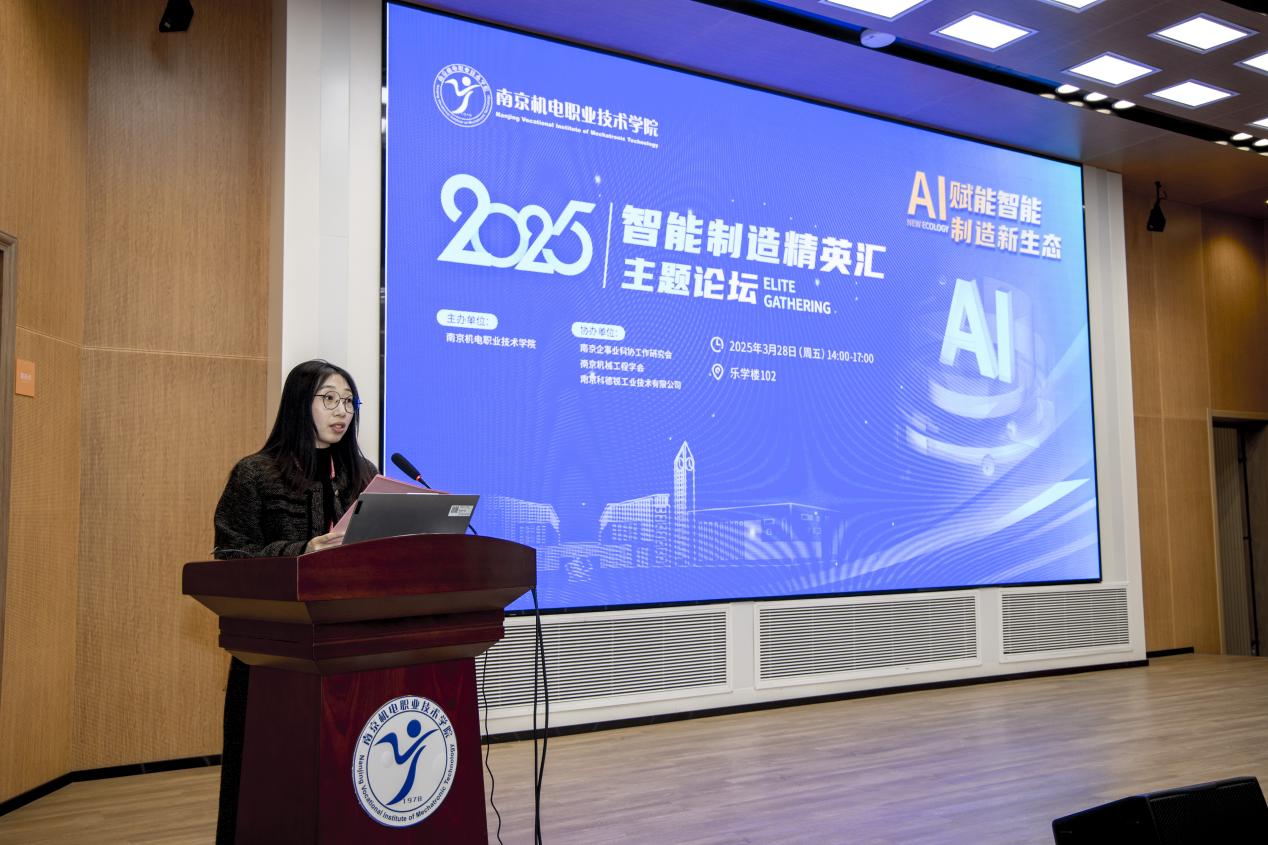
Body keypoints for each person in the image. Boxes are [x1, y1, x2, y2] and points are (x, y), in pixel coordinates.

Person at [210, 359, 376, 843]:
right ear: (299, 403)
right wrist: (301, 551)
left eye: (348, 401)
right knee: (268, 778)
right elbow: (230, 557)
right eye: (329, 399)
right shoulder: (255, 474)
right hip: (274, 654)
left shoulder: (362, 476)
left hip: (349, 648)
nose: (342, 411)